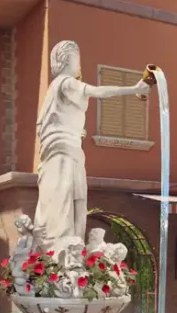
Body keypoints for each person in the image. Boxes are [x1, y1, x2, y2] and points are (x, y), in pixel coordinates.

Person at [33, 41, 152, 252]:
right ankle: (63, 247)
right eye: (77, 59)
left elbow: (43, 125)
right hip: (64, 151)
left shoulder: (53, 89)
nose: (79, 65)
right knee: (68, 198)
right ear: (67, 60)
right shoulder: (66, 82)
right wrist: (134, 89)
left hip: (63, 149)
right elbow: (98, 91)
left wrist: (74, 131)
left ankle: (63, 246)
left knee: (69, 199)